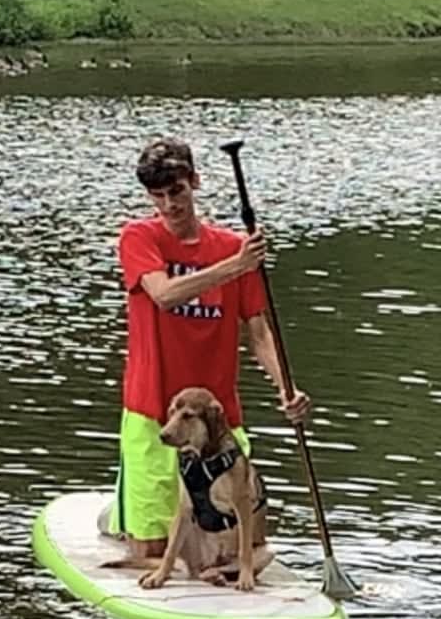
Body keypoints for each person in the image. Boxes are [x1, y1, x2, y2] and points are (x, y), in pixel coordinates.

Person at [107, 137, 310, 558]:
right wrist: (235, 266)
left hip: (218, 421)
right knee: (152, 551)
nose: (169, 205)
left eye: (176, 191)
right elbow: (164, 295)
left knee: (241, 544)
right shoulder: (138, 237)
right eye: (157, 195)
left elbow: (259, 333)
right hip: (153, 412)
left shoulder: (233, 248)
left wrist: (286, 388)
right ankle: (126, 525)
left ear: (195, 182)